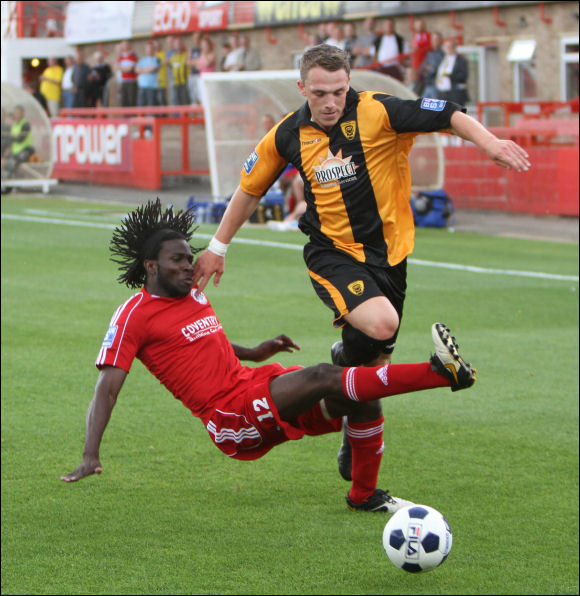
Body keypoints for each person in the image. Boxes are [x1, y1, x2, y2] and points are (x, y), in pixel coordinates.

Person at [191, 44, 530, 494]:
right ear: (302, 88)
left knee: (371, 370)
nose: (329, 102)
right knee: (382, 323)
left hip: (391, 256)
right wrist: (217, 247)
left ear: (349, 83)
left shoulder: (380, 113)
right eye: (319, 93)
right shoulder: (287, 134)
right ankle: (354, 395)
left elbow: (448, 113)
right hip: (331, 254)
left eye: (337, 91)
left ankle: (350, 413)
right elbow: (249, 190)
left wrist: (490, 143)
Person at [60, 198, 477, 514]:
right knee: (323, 375)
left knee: (358, 390)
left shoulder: (193, 295)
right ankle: (441, 374)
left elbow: (202, 344)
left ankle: (363, 494)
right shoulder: (133, 315)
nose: (190, 266)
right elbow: (107, 388)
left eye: (190, 258)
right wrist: (90, 454)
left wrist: (256, 351)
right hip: (229, 417)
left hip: (253, 387)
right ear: (151, 266)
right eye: (178, 261)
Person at [1, 105, 35, 178]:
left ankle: (17, 176)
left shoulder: (25, 124)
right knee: (4, 161)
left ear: (22, 113)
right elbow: (10, 140)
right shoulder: (14, 125)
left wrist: (11, 137)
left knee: (12, 163)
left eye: (18, 113)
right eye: (15, 112)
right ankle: (9, 178)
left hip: (25, 150)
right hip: (16, 152)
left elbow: (20, 139)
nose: (16, 114)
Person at [435, 38, 470, 107]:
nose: (447, 49)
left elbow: (464, 75)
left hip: (454, 93)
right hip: (441, 93)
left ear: (454, 48)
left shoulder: (460, 60)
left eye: (449, 47)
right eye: (446, 47)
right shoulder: (442, 59)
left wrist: (450, 76)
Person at [420, 32, 444, 99]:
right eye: (433, 39)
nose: (435, 41)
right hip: (427, 85)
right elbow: (421, 69)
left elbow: (435, 70)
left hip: (436, 86)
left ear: (441, 41)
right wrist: (428, 68)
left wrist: (428, 69)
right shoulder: (429, 53)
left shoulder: (442, 54)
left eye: (437, 39)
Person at [411, 18, 432, 94]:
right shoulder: (415, 36)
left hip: (425, 64)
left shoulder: (428, 36)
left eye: (421, 25)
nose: (419, 27)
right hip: (417, 65)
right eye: (417, 25)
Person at [136, 41, 160, 107]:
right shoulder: (142, 60)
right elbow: (137, 70)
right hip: (142, 87)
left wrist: (142, 70)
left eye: (150, 48)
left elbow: (153, 68)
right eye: (147, 48)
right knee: (141, 107)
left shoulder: (156, 59)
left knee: (152, 107)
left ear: (153, 49)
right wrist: (147, 70)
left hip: (152, 87)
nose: (149, 50)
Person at [168, 36, 189, 105]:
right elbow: (169, 65)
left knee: (185, 102)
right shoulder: (173, 56)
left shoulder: (186, 54)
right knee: (176, 102)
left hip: (185, 83)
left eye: (179, 43)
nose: (178, 45)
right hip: (176, 83)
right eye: (176, 44)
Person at [117, 40, 138, 107]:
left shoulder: (133, 56)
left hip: (132, 82)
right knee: (123, 101)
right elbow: (116, 67)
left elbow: (130, 69)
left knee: (132, 101)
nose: (124, 46)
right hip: (123, 81)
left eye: (126, 44)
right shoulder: (120, 57)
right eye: (123, 45)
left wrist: (121, 68)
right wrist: (124, 68)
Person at [187, 32, 202, 105]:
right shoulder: (191, 49)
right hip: (192, 74)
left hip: (200, 75)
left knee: (200, 95)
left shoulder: (202, 49)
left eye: (198, 38)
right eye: (195, 38)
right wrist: (197, 62)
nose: (196, 40)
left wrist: (193, 62)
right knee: (193, 96)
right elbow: (188, 62)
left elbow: (203, 61)